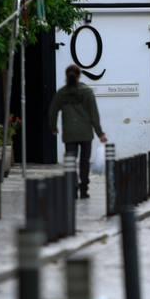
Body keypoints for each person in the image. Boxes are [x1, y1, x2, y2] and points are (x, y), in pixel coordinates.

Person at [47, 64, 108, 199]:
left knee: (71, 161)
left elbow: (52, 111)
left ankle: (72, 189)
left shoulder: (62, 93)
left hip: (69, 133)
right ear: (79, 75)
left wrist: (53, 127)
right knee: (84, 162)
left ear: (66, 75)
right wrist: (100, 133)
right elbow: (94, 115)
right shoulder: (87, 92)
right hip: (86, 133)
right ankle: (84, 190)